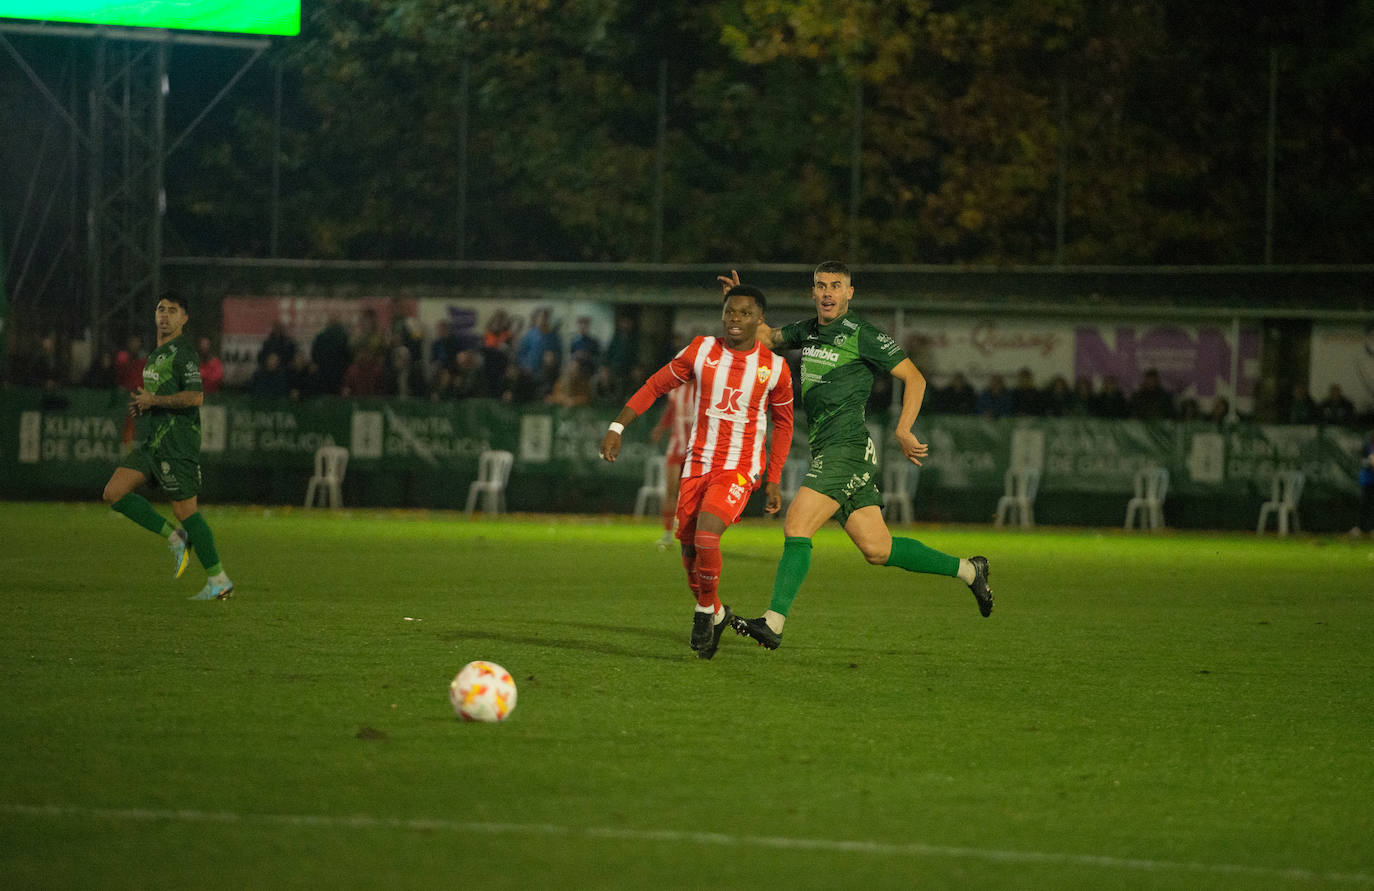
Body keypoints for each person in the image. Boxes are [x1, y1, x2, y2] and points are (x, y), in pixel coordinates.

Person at [719, 262, 992, 651]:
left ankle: (773, 622)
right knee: (878, 549)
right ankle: (970, 570)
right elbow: (763, 335)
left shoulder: (862, 334)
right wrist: (740, 303)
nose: (827, 292)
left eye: (835, 286)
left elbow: (915, 378)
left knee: (797, 525)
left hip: (844, 450)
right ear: (812, 292)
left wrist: (903, 429)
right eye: (820, 286)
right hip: (836, 450)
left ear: (850, 293)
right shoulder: (808, 330)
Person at [599, 285, 794, 660]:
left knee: (707, 538)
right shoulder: (701, 350)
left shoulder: (775, 369)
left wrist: (773, 478)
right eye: (729, 312)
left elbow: (784, 425)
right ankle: (716, 612)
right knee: (689, 548)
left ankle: (704, 612)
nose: (734, 319)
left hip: (739, 468)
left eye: (743, 313)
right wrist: (617, 426)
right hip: (697, 463)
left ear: (759, 319)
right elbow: (656, 384)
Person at [100, 293, 233, 601]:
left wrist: (154, 400)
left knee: (186, 511)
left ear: (183, 319)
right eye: (161, 308)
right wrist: (145, 406)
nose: (165, 314)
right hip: (154, 440)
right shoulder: (158, 354)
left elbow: (195, 397)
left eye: (173, 310)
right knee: (114, 492)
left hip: (178, 441)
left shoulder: (183, 352)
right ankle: (176, 538)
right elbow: (161, 395)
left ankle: (219, 580)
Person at [649, 378, 696, 549]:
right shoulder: (676, 390)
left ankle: (692, 535)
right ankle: (668, 533)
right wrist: (660, 428)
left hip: (696, 449)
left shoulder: (704, 389)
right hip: (676, 447)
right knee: (671, 491)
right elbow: (670, 412)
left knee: (695, 494)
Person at [1353, 429, 1374, 536]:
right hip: (1367, 480)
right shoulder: (1367, 447)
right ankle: (1359, 527)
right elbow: (1365, 461)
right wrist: (1370, 462)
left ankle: (1371, 528)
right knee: (1364, 504)